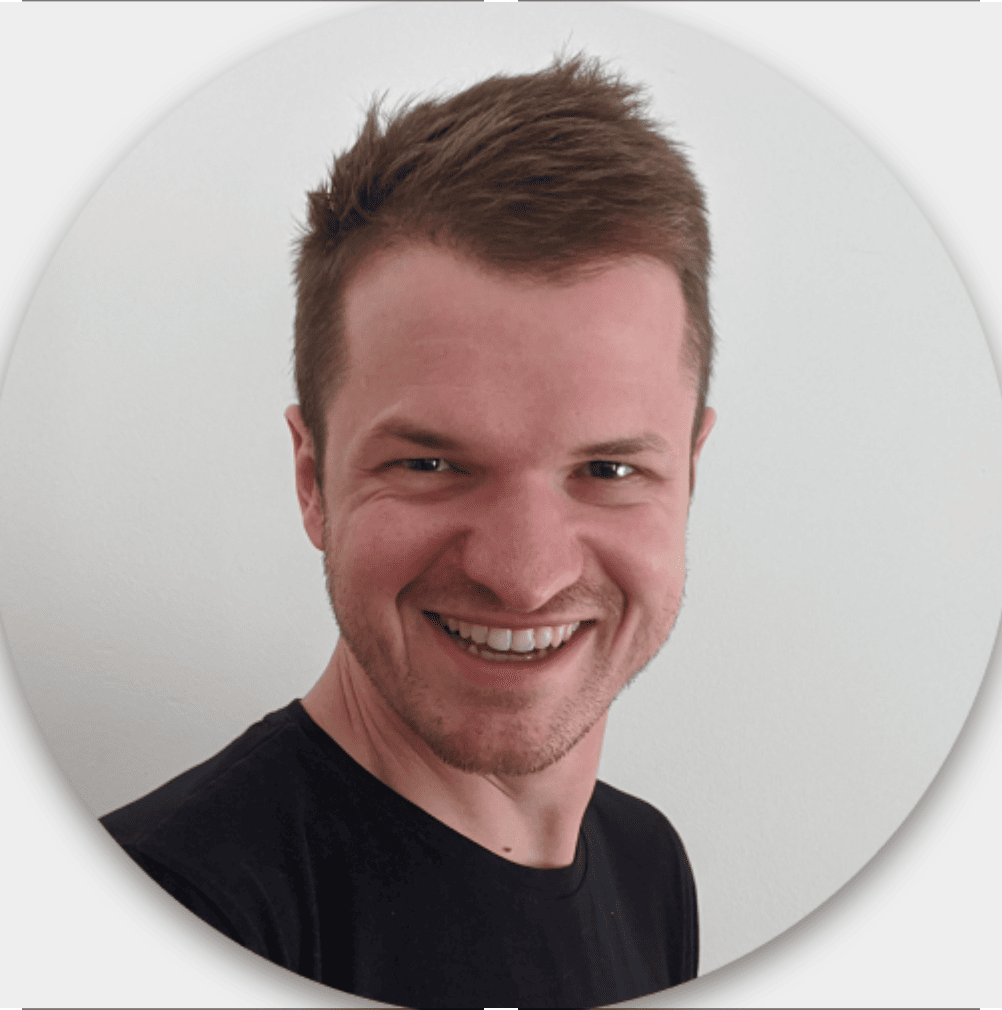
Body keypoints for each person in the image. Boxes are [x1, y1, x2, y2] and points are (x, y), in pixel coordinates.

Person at [102, 53, 716, 1009]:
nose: (524, 576)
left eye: (608, 471)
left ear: (690, 475)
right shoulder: (163, 919)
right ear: (313, 480)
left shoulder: (648, 869)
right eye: (431, 465)